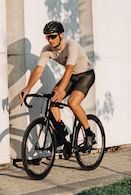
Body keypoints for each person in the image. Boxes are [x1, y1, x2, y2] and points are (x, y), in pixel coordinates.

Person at [19, 21, 97, 149]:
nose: (50, 40)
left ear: (61, 35)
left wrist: (61, 90)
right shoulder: (47, 50)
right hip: (71, 76)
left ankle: (89, 134)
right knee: (52, 100)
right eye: (47, 37)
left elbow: (69, 69)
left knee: (73, 103)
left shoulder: (71, 46)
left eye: (53, 36)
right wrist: (26, 89)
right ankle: (60, 133)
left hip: (85, 75)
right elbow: (39, 70)